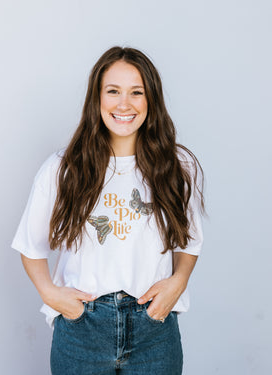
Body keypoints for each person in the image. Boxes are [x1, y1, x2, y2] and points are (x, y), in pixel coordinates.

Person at [11, 46, 205, 375]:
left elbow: (190, 241)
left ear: (151, 100)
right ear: (97, 98)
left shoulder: (175, 166)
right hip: (82, 328)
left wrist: (179, 282)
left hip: (154, 329)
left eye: (136, 92)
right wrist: (51, 295)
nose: (124, 104)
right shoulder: (64, 168)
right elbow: (30, 247)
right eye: (113, 91)